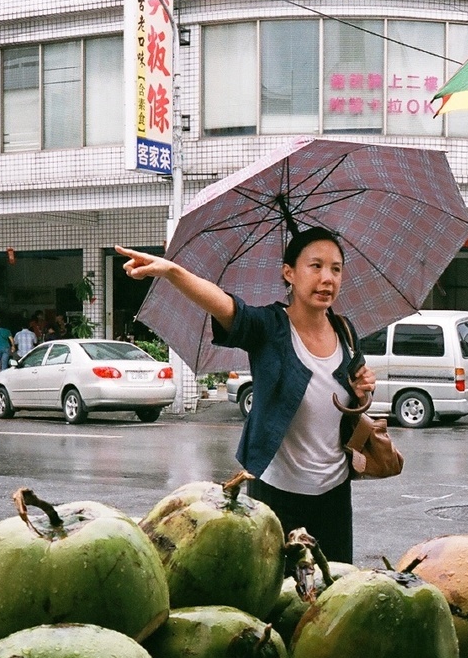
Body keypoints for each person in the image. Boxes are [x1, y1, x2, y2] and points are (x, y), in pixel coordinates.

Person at [114, 227, 376, 563]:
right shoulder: (268, 327)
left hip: (335, 493)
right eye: (315, 266)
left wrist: (362, 387)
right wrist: (172, 271)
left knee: (337, 588)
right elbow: (224, 305)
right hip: (278, 493)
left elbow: (354, 390)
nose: (327, 278)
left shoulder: (345, 330)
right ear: (289, 273)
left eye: (336, 268)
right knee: (278, 594)